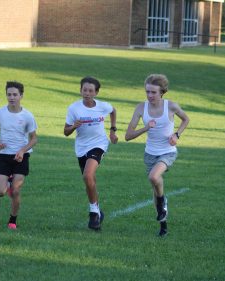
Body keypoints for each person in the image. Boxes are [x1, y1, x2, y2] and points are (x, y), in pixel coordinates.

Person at [125, 74, 189, 237]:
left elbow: (185, 119)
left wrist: (177, 135)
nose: (149, 95)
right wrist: (145, 128)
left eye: (153, 92)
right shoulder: (141, 108)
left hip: (167, 152)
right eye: (147, 92)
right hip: (150, 154)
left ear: (162, 92)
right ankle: (163, 225)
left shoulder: (171, 106)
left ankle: (162, 202)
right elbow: (128, 135)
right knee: (155, 189)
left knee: (154, 177)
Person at [64, 76, 118, 230]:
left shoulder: (103, 106)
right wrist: (74, 126)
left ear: (96, 92)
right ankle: (98, 210)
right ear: (80, 90)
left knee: (87, 175)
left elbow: (113, 110)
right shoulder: (74, 108)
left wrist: (113, 130)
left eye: (90, 90)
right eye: (84, 90)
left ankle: (93, 213)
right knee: (89, 181)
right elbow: (66, 132)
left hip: (99, 144)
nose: (87, 93)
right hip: (81, 147)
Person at [0, 81, 37, 230]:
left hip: (21, 157)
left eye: (15, 94)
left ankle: (12, 220)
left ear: (21, 96)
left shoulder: (27, 116)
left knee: (16, 190)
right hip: (4, 156)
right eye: (9, 94)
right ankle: (8, 182)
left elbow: (34, 138)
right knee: (0, 192)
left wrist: (22, 150)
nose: (12, 97)